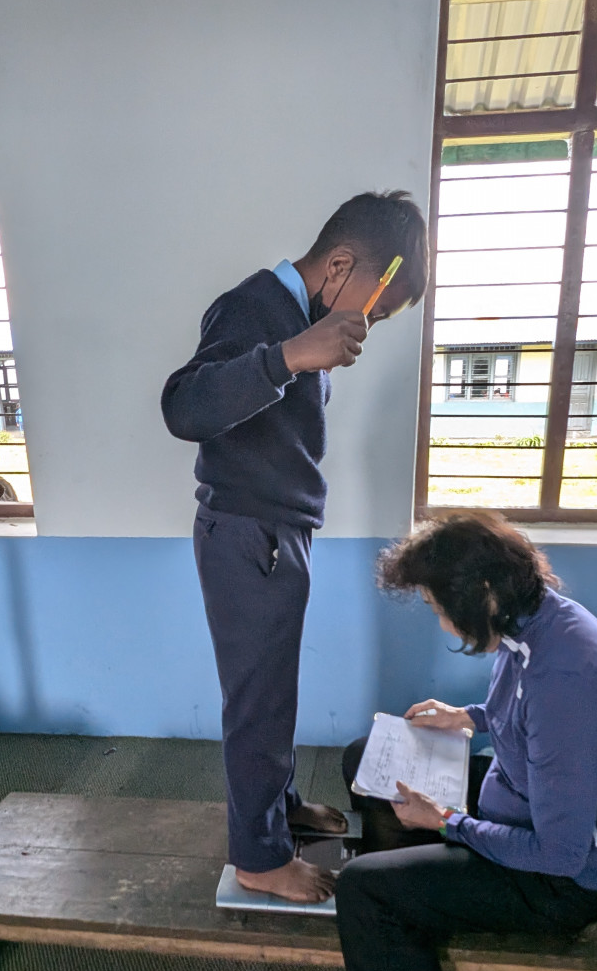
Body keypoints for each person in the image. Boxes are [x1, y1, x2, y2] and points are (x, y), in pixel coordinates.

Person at [336, 512, 597, 971]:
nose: (441, 622)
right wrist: (467, 717)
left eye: (438, 607)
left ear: (482, 594)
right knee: (365, 760)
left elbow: (559, 853)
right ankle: (410, 926)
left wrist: (447, 822)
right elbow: (521, 718)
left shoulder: (568, 679)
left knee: (363, 891)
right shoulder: (538, 620)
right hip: (517, 808)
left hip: (560, 882)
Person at [161, 191, 428, 903]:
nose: (367, 328)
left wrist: (298, 354)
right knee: (257, 703)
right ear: (338, 267)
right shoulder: (253, 310)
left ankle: (277, 808)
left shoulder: (295, 317)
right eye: (373, 311)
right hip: (248, 534)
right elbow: (183, 406)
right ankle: (259, 857)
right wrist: (288, 357)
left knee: (274, 691)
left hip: (279, 532)